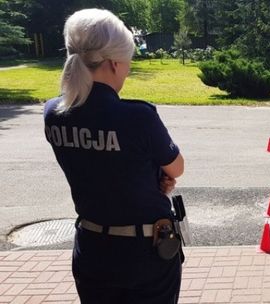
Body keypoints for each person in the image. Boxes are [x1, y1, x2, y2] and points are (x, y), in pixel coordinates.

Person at [43, 9, 184, 304]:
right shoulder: (137, 116)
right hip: (144, 255)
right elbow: (177, 167)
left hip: (92, 249)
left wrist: (149, 175)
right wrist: (158, 175)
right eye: (128, 63)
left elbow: (99, 165)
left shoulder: (54, 113)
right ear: (113, 63)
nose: (128, 71)